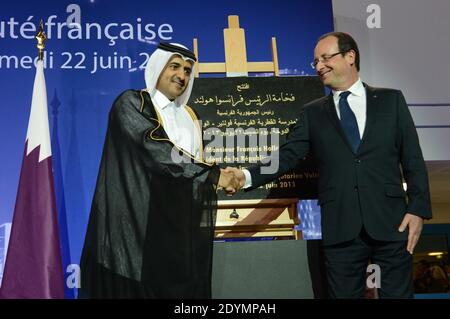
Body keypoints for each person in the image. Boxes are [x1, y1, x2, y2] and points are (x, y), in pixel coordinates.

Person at [224, 32, 432, 298]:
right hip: (340, 227)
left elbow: (412, 158)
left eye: (325, 58)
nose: (319, 66)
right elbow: (288, 155)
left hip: (393, 224)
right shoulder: (312, 112)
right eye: (315, 62)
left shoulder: (392, 101)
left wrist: (417, 209)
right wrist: (244, 176)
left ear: (350, 56)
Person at [79, 42, 237, 298]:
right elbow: (157, 149)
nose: (182, 75)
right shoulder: (132, 103)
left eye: (187, 70)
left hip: (181, 230)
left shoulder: (191, 117)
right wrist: (215, 175)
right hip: (138, 231)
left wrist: (220, 177)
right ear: (156, 68)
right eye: (174, 66)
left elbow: (192, 165)